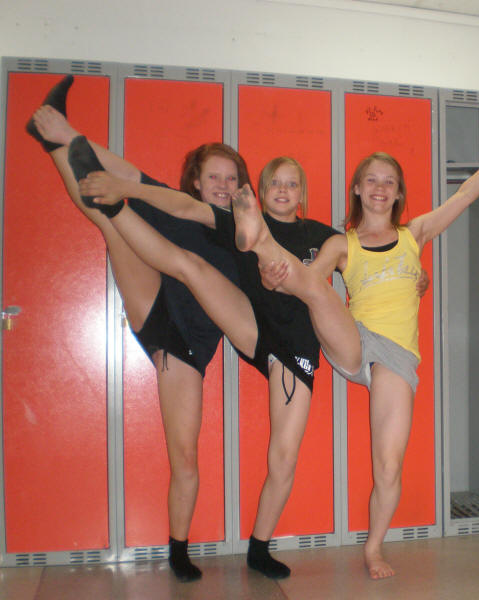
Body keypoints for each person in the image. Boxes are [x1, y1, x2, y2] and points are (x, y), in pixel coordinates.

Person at [73, 144, 432, 579]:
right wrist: (129, 190)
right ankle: (120, 210)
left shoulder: (324, 236)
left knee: (284, 457)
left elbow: (373, 261)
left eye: (292, 184)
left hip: (296, 348)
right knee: (191, 267)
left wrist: (416, 275)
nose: (283, 190)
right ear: (260, 192)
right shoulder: (236, 218)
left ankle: (258, 549)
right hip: (254, 326)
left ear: (302, 193)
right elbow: (185, 206)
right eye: (275, 183)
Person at [228, 119, 479, 579]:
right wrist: (271, 274)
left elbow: (464, 196)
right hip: (354, 339)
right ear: (358, 189)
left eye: (389, 182)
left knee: (388, 465)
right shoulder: (341, 243)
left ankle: (374, 548)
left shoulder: (415, 234)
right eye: (372, 180)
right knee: (318, 291)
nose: (380, 188)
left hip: (397, 356)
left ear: (398, 192)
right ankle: (261, 240)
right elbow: (304, 283)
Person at [26, 76, 246, 582]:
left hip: (186, 345)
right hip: (156, 302)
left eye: (231, 178)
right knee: (110, 218)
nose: (222, 185)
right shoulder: (173, 204)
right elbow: (124, 172)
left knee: (185, 456)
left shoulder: (243, 234)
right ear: (196, 182)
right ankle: (53, 140)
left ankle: (178, 550)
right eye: (214, 176)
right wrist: (68, 135)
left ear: (241, 186)